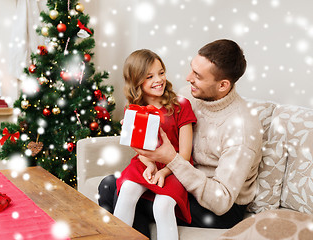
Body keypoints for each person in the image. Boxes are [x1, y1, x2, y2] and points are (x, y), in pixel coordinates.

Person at [98, 39, 263, 238]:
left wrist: (171, 161)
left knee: (115, 190)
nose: (187, 78)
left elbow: (220, 202)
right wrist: (137, 128)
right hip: (182, 177)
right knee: (111, 185)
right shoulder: (190, 96)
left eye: (197, 76)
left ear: (223, 85)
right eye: (192, 69)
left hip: (216, 205)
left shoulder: (242, 128)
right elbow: (162, 120)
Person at [113, 49, 197, 240]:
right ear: (136, 81)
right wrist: (150, 165)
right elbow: (140, 148)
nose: (158, 80)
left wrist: (164, 172)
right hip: (146, 162)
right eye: (149, 76)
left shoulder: (181, 105)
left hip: (176, 167)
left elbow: (185, 154)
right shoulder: (133, 109)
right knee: (127, 190)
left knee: (163, 205)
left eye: (161, 73)